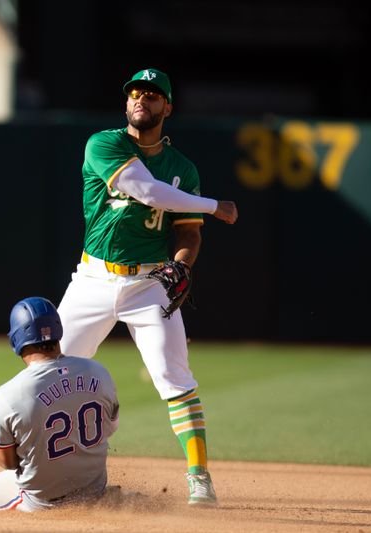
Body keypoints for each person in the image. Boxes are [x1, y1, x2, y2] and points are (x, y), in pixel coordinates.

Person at [56, 68, 238, 506]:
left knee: (174, 377)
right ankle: (40, 465)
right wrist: (216, 205)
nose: (143, 99)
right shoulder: (104, 144)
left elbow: (188, 235)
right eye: (136, 93)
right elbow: (148, 191)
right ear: (126, 104)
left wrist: (182, 266)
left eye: (154, 95)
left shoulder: (183, 169)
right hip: (94, 278)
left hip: (149, 283)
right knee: (51, 369)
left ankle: (199, 476)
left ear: (167, 107)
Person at [0, 296, 120, 512]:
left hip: (42, 503)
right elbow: (110, 429)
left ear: (15, 340)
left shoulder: (6, 395)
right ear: (59, 331)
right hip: (94, 493)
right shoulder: (98, 371)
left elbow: (8, 462)